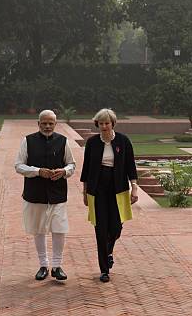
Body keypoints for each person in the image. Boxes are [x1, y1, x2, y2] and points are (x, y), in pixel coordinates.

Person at [14, 109, 76, 281]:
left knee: (59, 229)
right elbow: (18, 165)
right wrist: (37, 171)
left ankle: (57, 266)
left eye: (51, 123)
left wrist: (63, 171)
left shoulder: (63, 141)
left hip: (58, 193)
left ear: (55, 124)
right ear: (38, 123)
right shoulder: (28, 141)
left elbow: (72, 164)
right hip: (35, 193)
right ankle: (43, 265)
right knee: (39, 230)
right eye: (44, 123)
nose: (47, 126)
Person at [80, 108, 138, 282]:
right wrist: (84, 192)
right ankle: (104, 269)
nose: (104, 126)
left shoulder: (123, 141)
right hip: (97, 190)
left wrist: (134, 188)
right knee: (100, 229)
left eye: (107, 123)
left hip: (118, 188)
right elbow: (86, 169)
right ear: (97, 124)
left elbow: (130, 166)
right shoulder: (92, 142)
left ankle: (109, 251)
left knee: (116, 227)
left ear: (113, 123)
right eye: (101, 123)